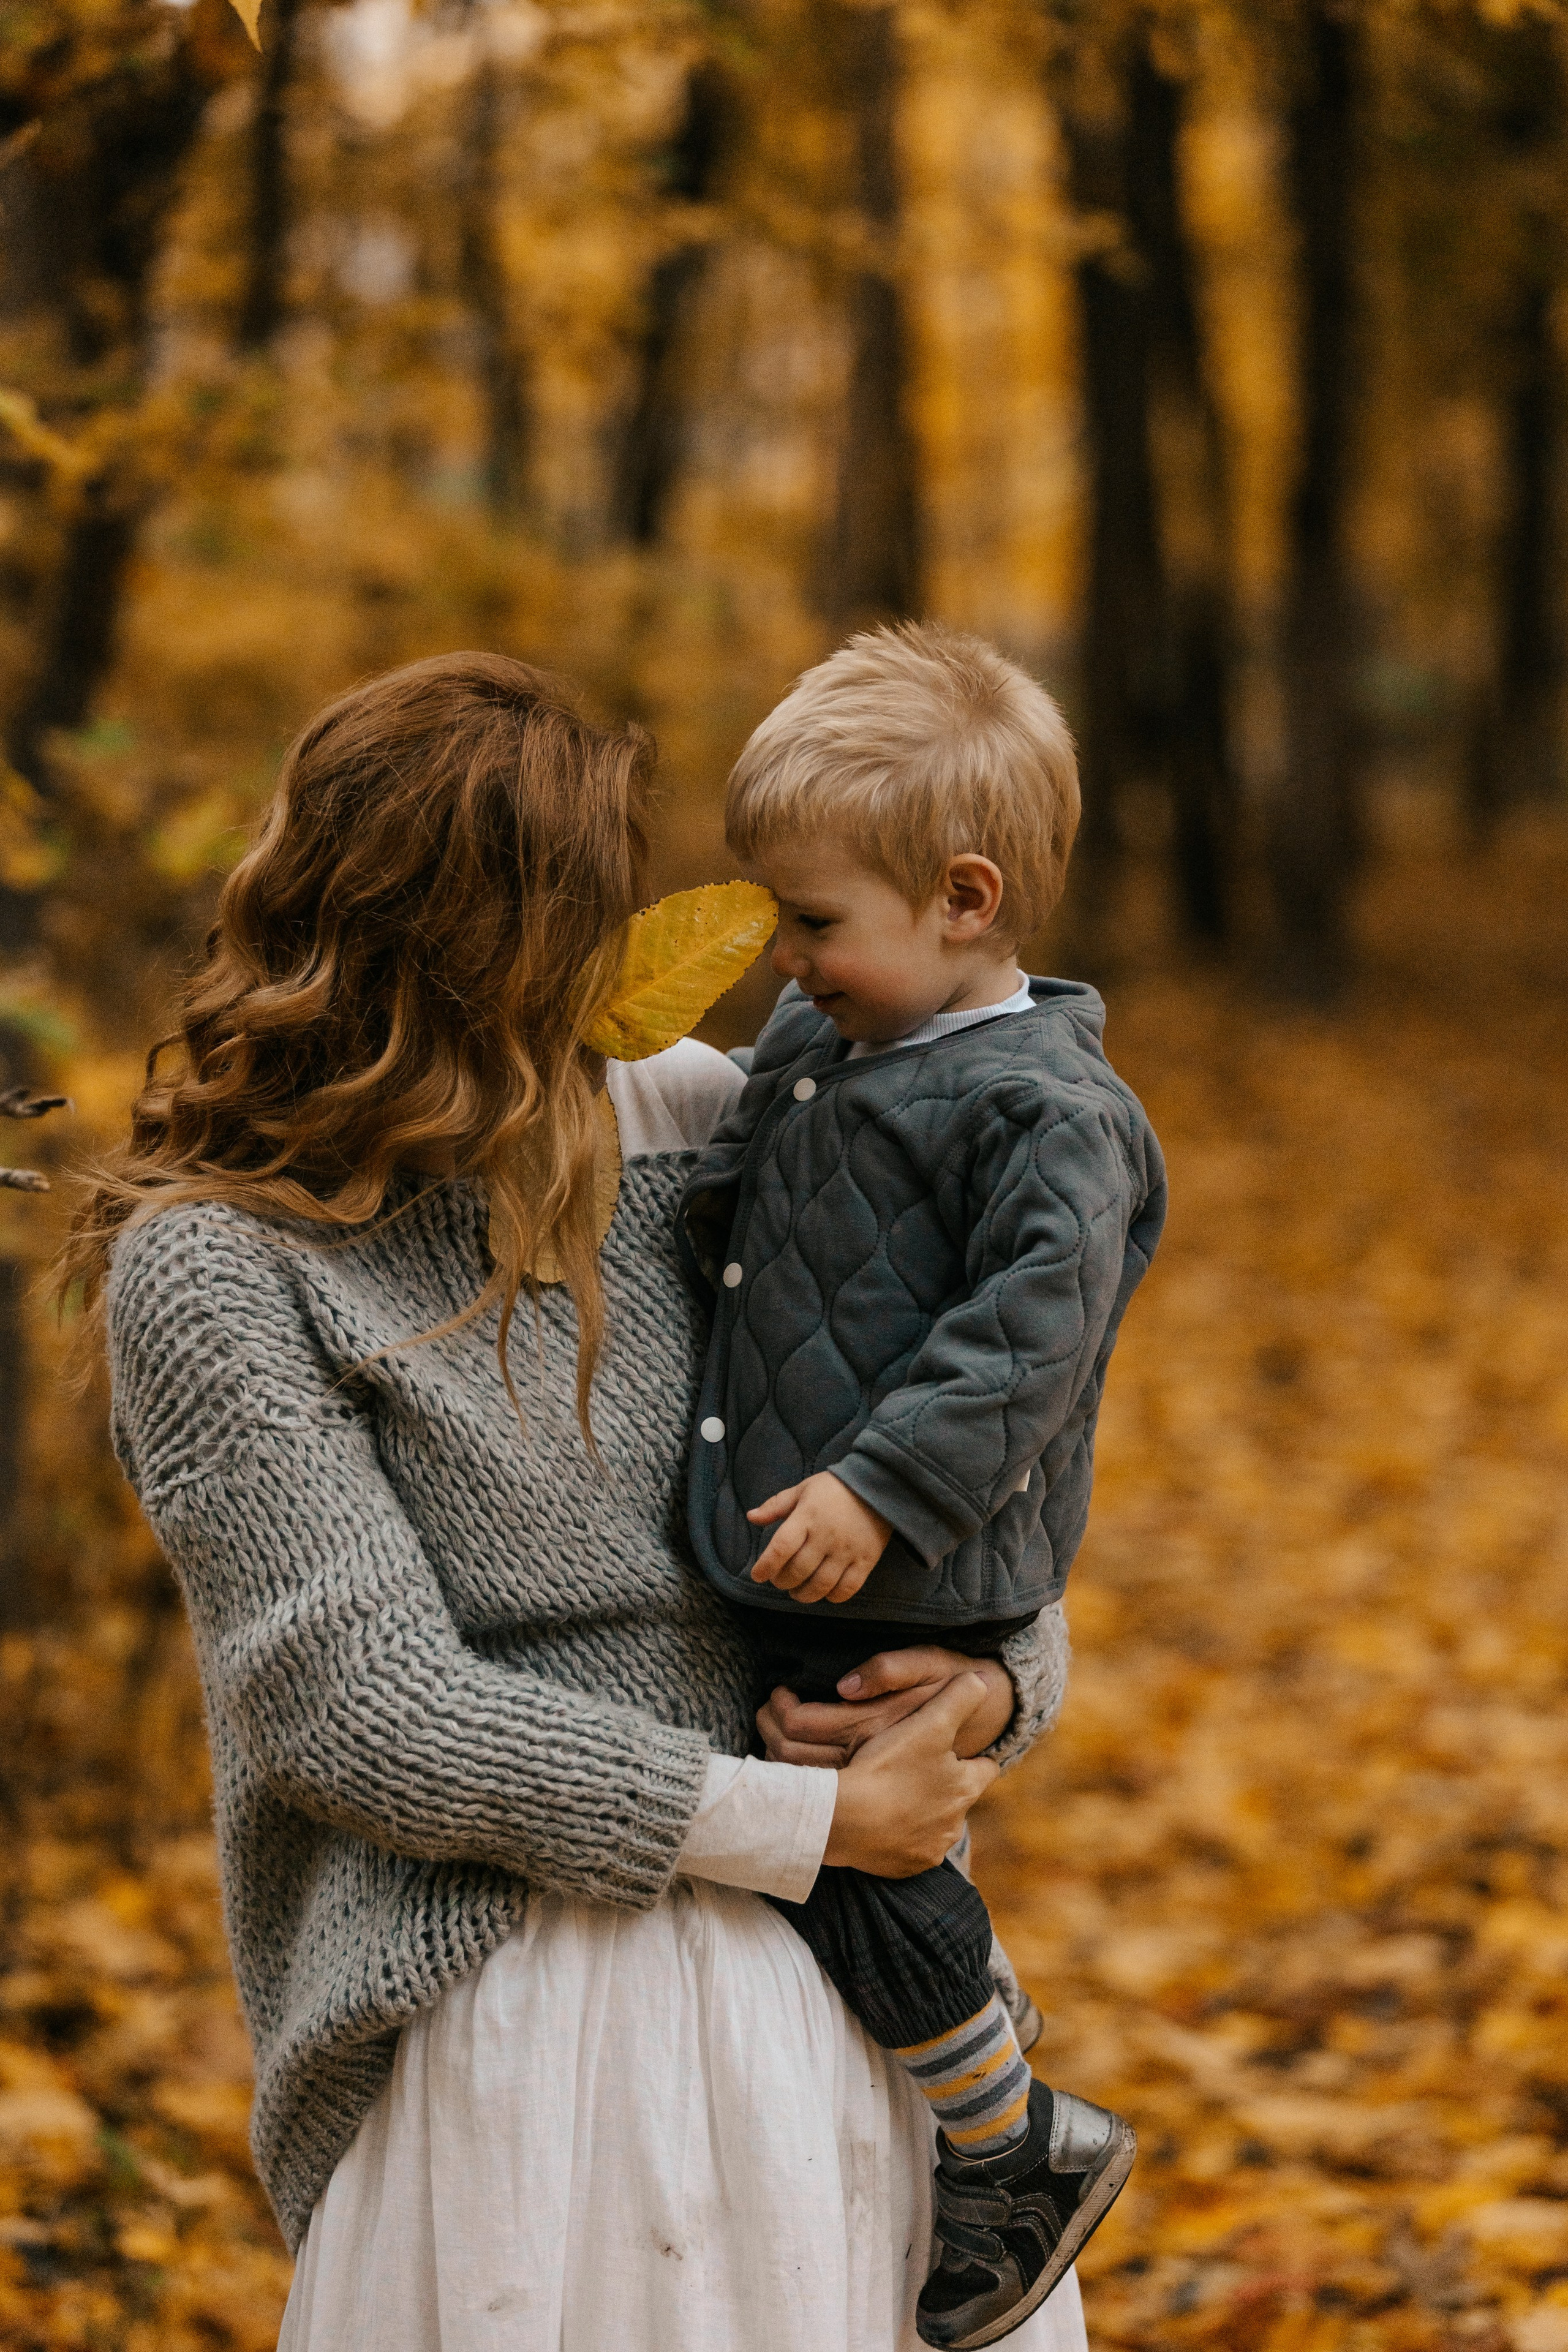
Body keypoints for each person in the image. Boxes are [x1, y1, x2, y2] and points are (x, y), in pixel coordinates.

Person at [60, 650, 1090, 2352]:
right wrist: (802, 1827)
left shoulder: (702, 1122)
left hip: (842, 2004)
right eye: (565, 933)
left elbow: (978, 1460)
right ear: (441, 952)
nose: (604, 979)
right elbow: (364, 1714)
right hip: (519, 2021)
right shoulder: (220, 1266)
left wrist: (991, 1684)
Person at [679, 624, 1167, 2350]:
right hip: (815, 1542)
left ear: (965, 902)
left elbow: (1029, 1344)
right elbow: (724, 1187)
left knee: (852, 1847)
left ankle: (1010, 2136)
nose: (785, 956)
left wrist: (882, 1491)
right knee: (846, 1841)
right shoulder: (833, 1037)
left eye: (814, 921)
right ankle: (995, 2081)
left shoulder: (1050, 1113)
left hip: (915, 1553)